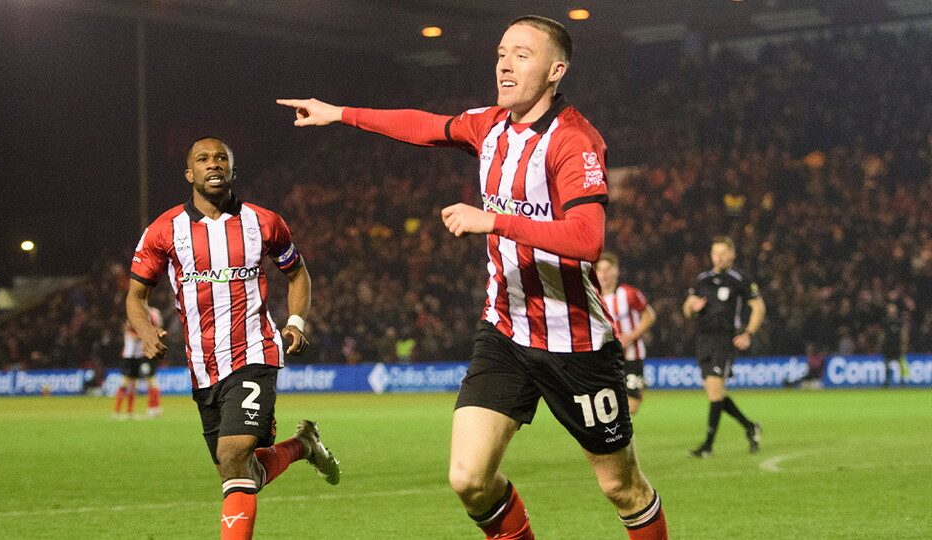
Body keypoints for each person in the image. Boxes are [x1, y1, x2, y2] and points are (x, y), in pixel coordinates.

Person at [279, 15, 668, 540]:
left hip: (575, 343)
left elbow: (586, 238)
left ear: (556, 71)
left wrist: (495, 221)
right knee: (469, 478)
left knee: (622, 487)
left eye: (522, 55)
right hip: (505, 332)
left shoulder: (573, 141)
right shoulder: (488, 126)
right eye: (502, 53)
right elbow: (424, 126)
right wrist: (340, 114)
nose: (505, 64)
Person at [126, 137, 341, 540]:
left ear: (232, 170)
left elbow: (297, 273)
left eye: (221, 158)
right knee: (238, 471)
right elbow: (136, 295)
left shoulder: (264, 223)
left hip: (255, 352)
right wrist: (145, 330)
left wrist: (296, 321)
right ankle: (303, 445)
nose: (213, 164)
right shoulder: (164, 229)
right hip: (203, 366)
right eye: (203, 159)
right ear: (189, 173)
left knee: (233, 453)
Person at [682, 236, 765, 457]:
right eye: (715, 254)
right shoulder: (703, 279)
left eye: (722, 253)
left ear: (732, 254)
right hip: (704, 339)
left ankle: (708, 446)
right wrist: (692, 306)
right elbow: (686, 309)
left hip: (725, 339)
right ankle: (750, 426)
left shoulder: (741, 279)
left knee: (715, 390)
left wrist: (748, 333)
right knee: (715, 393)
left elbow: (758, 307)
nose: (718, 258)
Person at [595, 253, 657, 415]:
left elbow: (649, 315)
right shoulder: (592, 297)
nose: (604, 274)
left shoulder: (628, 293)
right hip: (605, 358)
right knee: (605, 406)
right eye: (600, 270)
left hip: (631, 356)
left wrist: (631, 336)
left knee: (632, 407)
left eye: (608, 269)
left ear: (616, 271)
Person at [113, 306, 164, 419]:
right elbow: (130, 334)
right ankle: (117, 412)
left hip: (141, 355)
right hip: (130, 356)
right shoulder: (134, 318)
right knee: (126, 382)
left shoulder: (150, 314)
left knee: (139, 383)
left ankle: (134, 411)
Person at [881, 301, 909, 387]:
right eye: (890, 308)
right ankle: (886, 381)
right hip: (888, 345)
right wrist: (881, 344)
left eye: (892, 308)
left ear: (896, 310)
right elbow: (882, 334)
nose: (891, 310)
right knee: (887, 363)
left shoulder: (899, 321)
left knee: (900, 363)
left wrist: (904, 344)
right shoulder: (885, 321)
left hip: (897, 345)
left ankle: (903, 381)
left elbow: (904, 332)